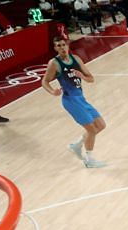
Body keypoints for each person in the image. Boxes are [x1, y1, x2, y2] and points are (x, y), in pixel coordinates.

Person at [41, 36, 107, 168]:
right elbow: (44, 81)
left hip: (81, 99)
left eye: (63, 44)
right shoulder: (54, 63)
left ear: (68, 45)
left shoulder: (76, 59)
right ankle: (89, 160)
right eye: (58, 46)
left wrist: (82, 76)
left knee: (101, 125)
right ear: (55, 48)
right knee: (92, 130)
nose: (61, 47)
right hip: (70, 101)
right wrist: (52, 91)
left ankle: (76, 145)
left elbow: (91, 79)